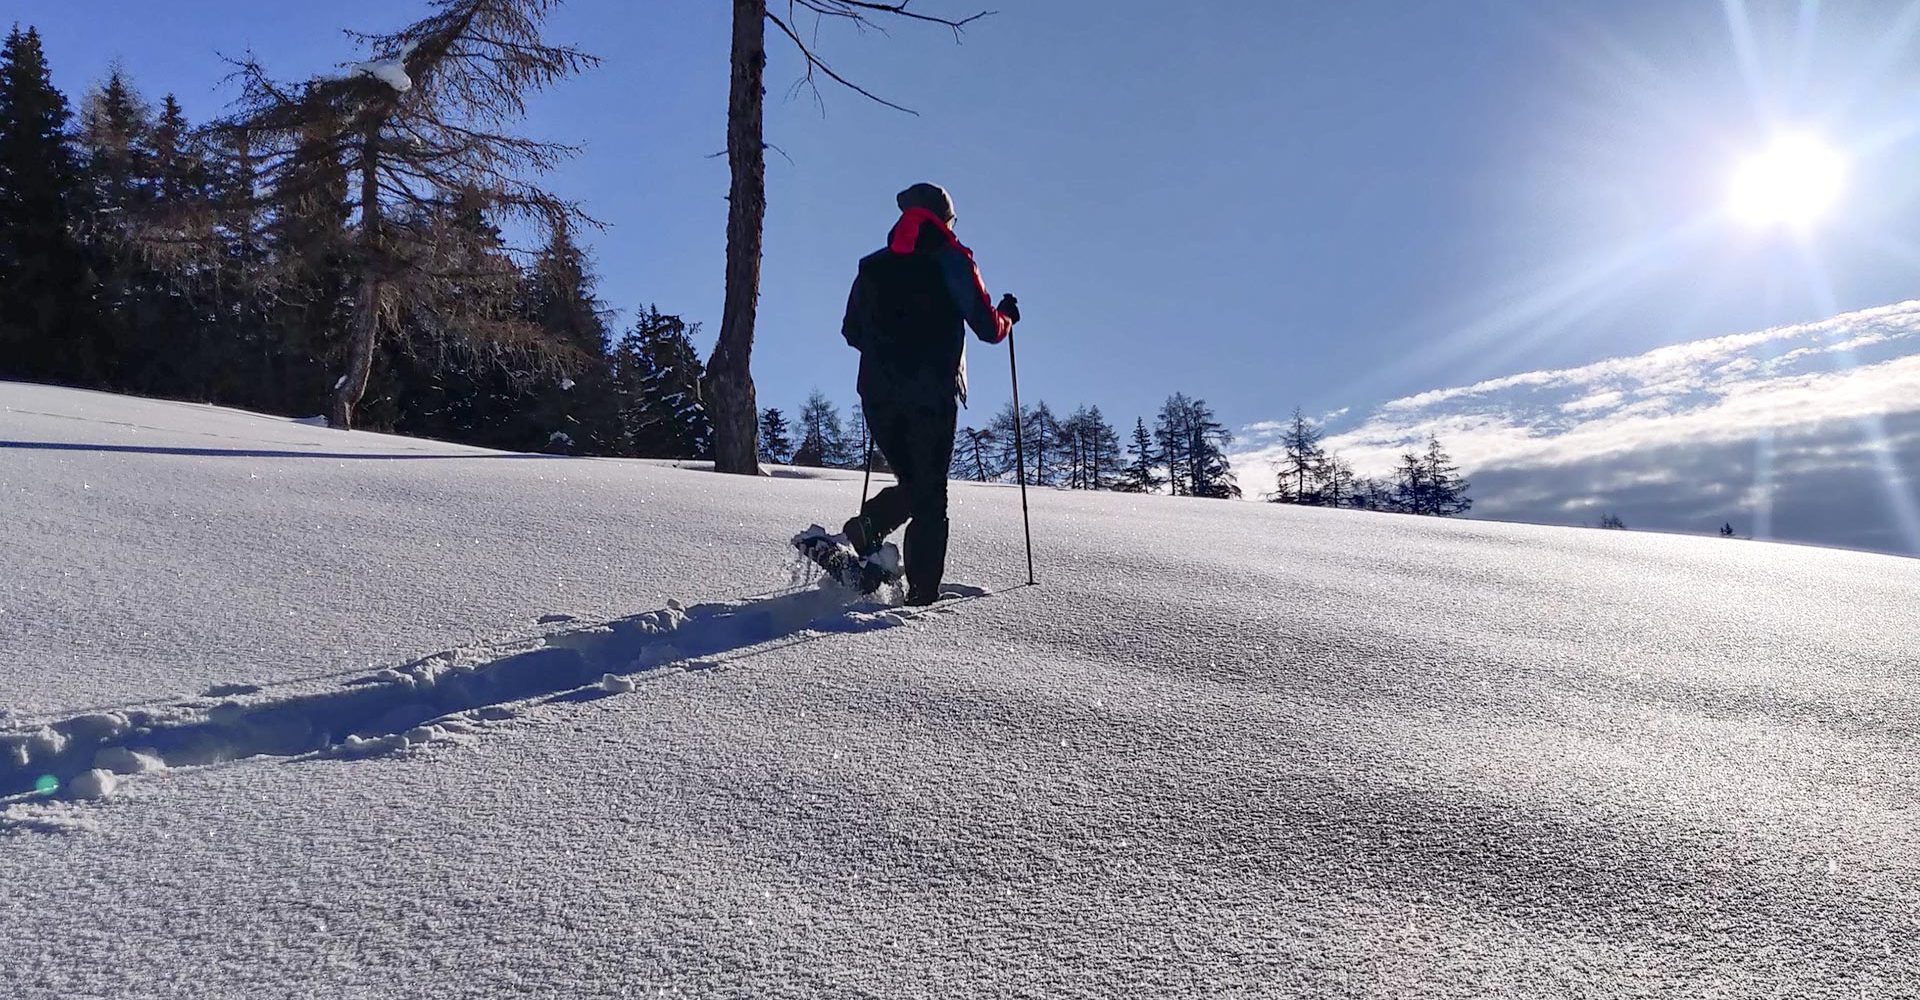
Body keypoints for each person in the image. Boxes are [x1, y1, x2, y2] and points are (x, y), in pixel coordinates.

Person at [838, 182, 1019, 605]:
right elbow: (987, 326)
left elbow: (851, 331)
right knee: (930, 494)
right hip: (931, 392)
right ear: (943, 219)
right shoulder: (953, 259)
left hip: (877, 393)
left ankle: (868, 527)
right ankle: (921, 595)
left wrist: (887, 347)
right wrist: (1008, 316)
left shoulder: (872, 266)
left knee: (916, 482)